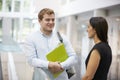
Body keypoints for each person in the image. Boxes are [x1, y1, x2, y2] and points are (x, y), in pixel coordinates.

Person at [23, 8, 77, 80]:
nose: (51, 22)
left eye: (53, 20)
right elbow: (31, 60)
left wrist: (61, 66)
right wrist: (49, 65)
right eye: (47, 20)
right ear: (39, 21)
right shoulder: (31, 38)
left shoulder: (61, 37)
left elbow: (73, 57)